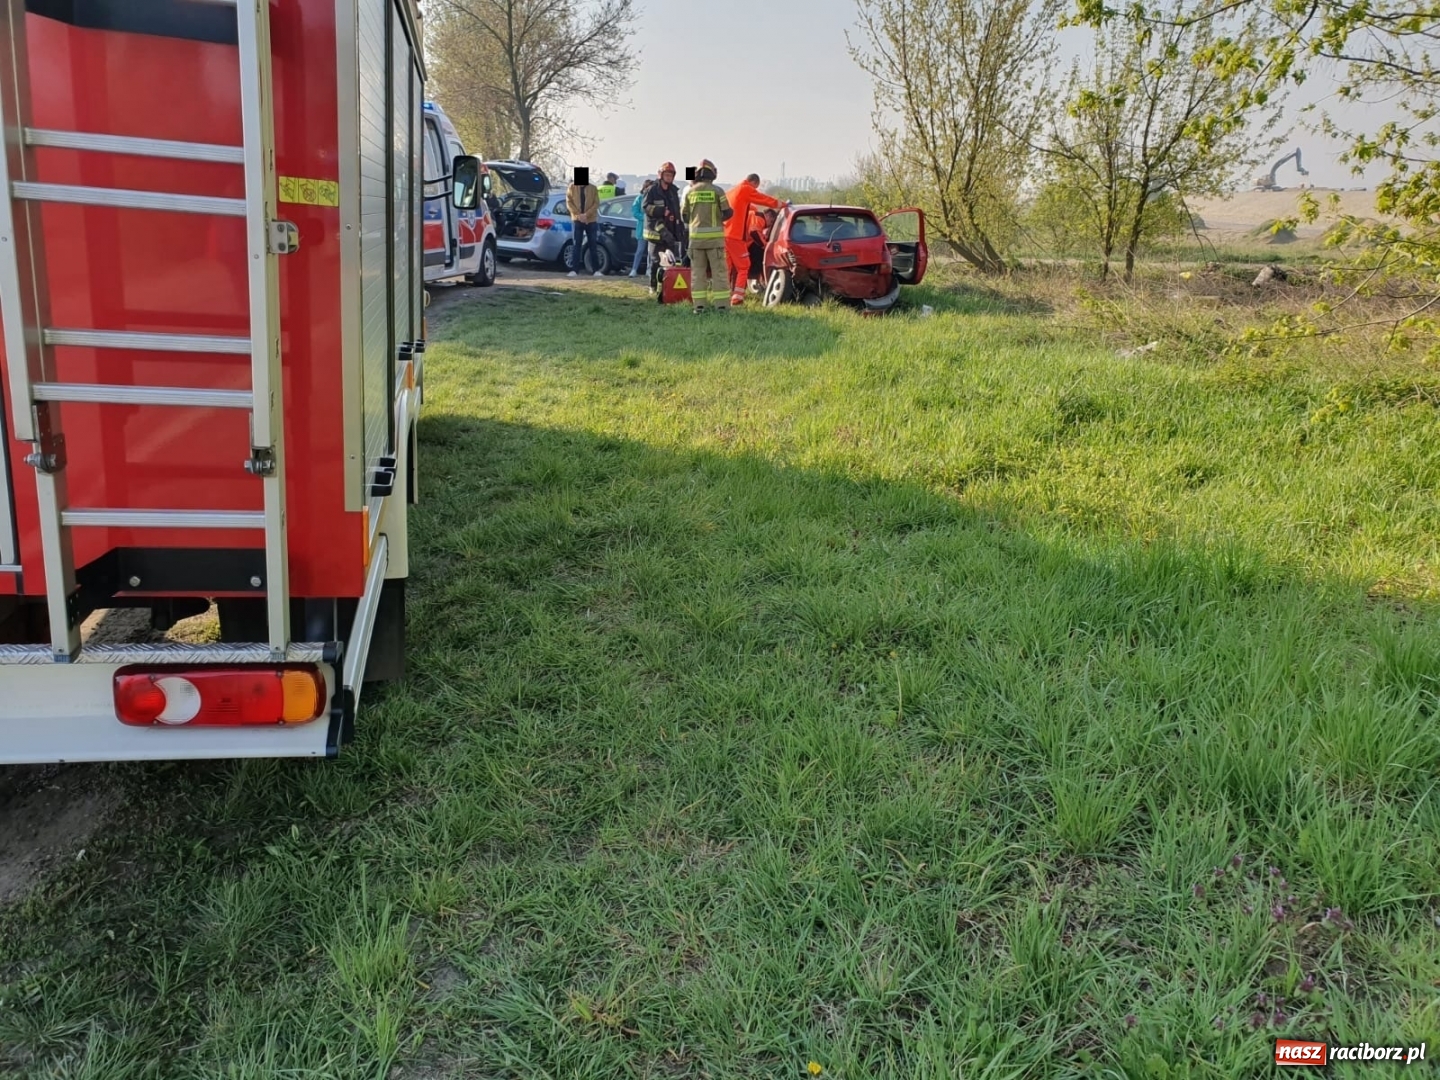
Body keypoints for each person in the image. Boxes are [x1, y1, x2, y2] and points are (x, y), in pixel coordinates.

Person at [680, 158, 733, 313]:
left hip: (696, 242)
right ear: (713, 174)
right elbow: (727, 212)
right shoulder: (718, 191)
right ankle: (722, 306)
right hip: (715, 242)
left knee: (697, 274)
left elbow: (684, 216)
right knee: (719, 273)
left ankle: (699, 307)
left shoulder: (690, 191)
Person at [723, 173, 781, 305]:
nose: (754, 191)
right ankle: (737, 297)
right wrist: (781, 204)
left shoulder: (732, 192)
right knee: (744, 266)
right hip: (735, 237)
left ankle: (723, 297)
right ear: (753, 183)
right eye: (755, 188)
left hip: (725, 234)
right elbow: (754, 231)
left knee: (727, 268)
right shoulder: (746, 191)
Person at [642, 162, 684, 293]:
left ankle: (667, 288)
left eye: (671, 175)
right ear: (661, 175)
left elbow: (676, 211)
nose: (669, 177)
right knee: (655, 261)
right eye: (666, 175)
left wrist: (679, 230)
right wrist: (660, 211)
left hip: (669, 232)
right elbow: (646, 207)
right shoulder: (652, 190)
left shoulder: (673, 191)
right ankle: (653, 287)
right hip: (655, 232)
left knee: (671, 261)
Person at [565, 170, 601, 277]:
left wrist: (586, 215)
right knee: (577, 244)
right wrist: (578, 215)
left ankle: (596, 270)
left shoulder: (593, 188)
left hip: (591, 220)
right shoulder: (572, 187)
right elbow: (569, 202)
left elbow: (596, 203)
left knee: (593, 244)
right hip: (577, 220)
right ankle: (574, 270)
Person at [629, 178, 654, 277]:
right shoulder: (639, 198)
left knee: (651, 251)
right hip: (642, 229)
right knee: (640, 250)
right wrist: (645, 218)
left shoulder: (654, 198)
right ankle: (634, 269)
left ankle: (649, 269)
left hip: (652, 228)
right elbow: (635, 212)